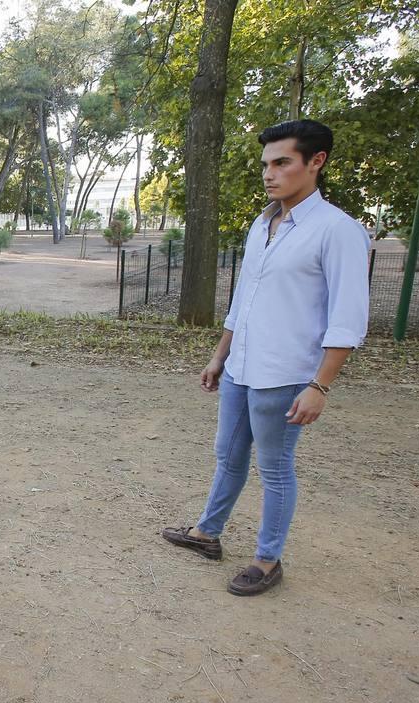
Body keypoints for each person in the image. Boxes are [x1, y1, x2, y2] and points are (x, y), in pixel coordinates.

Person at [161, 119, 369, 596]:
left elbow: (348, 319)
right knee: (228, 455)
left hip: (286, 374)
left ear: (316, 162)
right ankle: (207, 534)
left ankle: (267, 559)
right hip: (241, 367)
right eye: (266, 165)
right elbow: (244, 301)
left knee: (275, 468)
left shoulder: (337, 231)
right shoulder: (263, 223)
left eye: (282, 163)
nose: (270, 174)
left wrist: (320, 385)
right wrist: (220, 357)